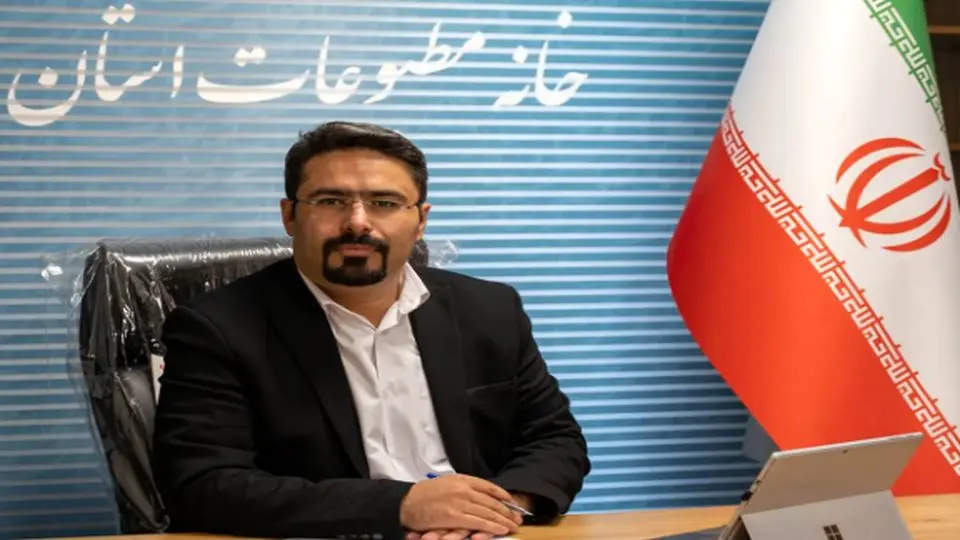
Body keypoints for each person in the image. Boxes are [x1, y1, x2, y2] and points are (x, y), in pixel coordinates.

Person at [151, 121, 590, 540]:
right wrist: (401, 506)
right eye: (330, 201)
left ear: (420, 221)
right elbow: (202, 483)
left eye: (384, 203)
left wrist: (499, 506)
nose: (358, 222)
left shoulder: (489, 309)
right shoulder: (218, 328)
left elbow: (554, 439)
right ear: (289, 216)